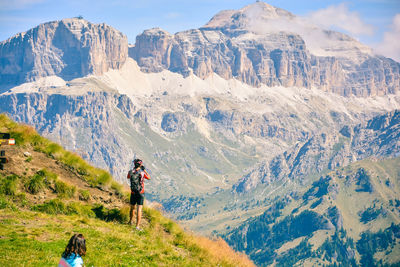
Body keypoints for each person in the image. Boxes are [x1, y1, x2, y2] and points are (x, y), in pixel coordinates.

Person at [127, 158, 151, 231]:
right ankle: (137, 226)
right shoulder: (142, 173)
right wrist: (144, 170)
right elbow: (149, 178)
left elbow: (128, 177)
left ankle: (130, 222)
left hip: (133, 192)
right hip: (141, 192)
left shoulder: (131, 172)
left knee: (132, 208)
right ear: (140, 165)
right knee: (139, 209)